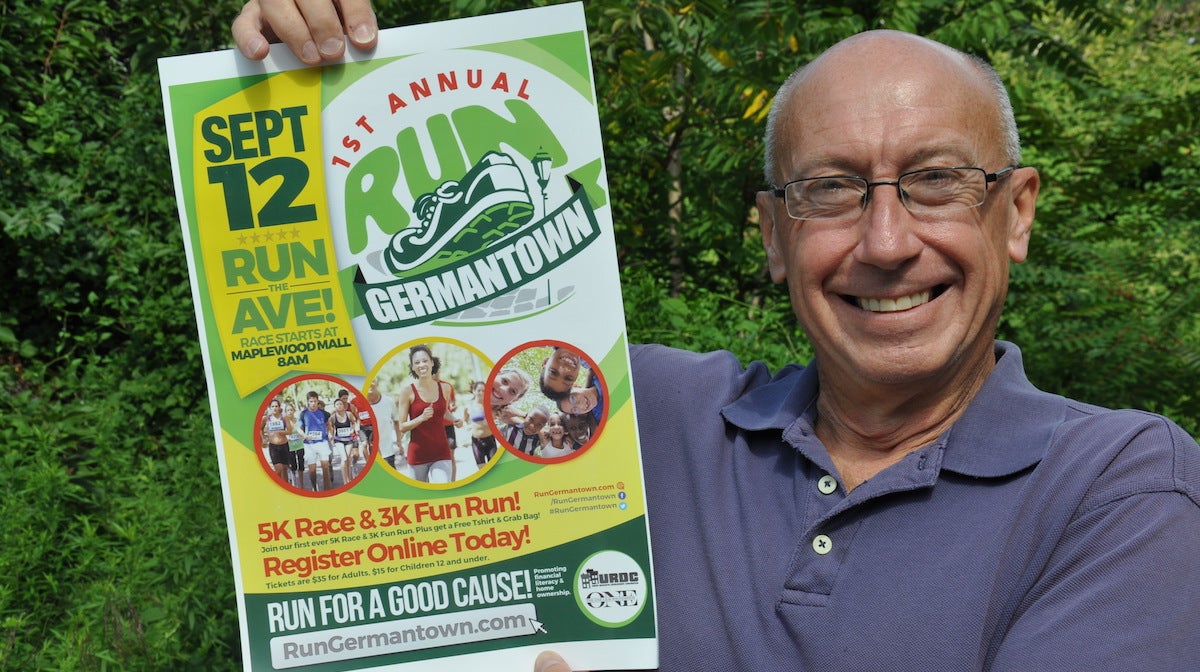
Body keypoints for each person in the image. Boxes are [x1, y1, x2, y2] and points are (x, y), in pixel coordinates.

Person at [234, 7, 1200, 671]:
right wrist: (297, 92)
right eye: (828, 191)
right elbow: (346, 399)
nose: (887, 242)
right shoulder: (639, 415)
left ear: (1016, 212)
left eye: (936, 180)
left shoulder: (1121, 489)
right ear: (775, 237)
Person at [397, 345, 458, 483]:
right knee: (422, 499)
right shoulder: (407, 392)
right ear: (412, 367)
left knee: (441, 490)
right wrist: (421, 418)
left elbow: (443, 413)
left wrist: (455, 419)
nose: (421, 365)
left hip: (441, 452)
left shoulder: (445, 388)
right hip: (418, 455)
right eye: (417, 363)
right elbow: (402, 426)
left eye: (425, 361)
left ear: (432, 362)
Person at [298, 390, 332, 492]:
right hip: (309, 444)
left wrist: (330, 433)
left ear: (318, 401)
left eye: (315, 401)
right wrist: (304, 435)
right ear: (308, 402)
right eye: (311, 401)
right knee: (312, 469)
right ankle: (314, 488)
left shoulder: (324, 413)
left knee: (325, 466)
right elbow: (299, 428)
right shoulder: (303, 414)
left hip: (322, 442)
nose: (313, 403)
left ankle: (327, 490)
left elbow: (329, 425)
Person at [367, 377, 402, 469]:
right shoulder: (360, 404)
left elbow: (396, 421)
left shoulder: (388, 401)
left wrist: (399, 442)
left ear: (377, 383)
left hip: (387, 450)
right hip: (370, 452)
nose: (370, 384)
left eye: (372, 381)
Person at [259, 397, 295, 483]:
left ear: (279, 407)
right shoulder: (266, 418)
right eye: (272, 406)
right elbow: (260, 428)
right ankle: (278, 485)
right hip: (273, 447)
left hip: (284, 445)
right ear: (270, 408)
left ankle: (286, 487)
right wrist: (263, 437)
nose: (274, 408)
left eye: (276, 406)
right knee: (278, 469)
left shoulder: (284, 417)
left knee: (285, 469)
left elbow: (290, 431)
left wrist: (280, 432)